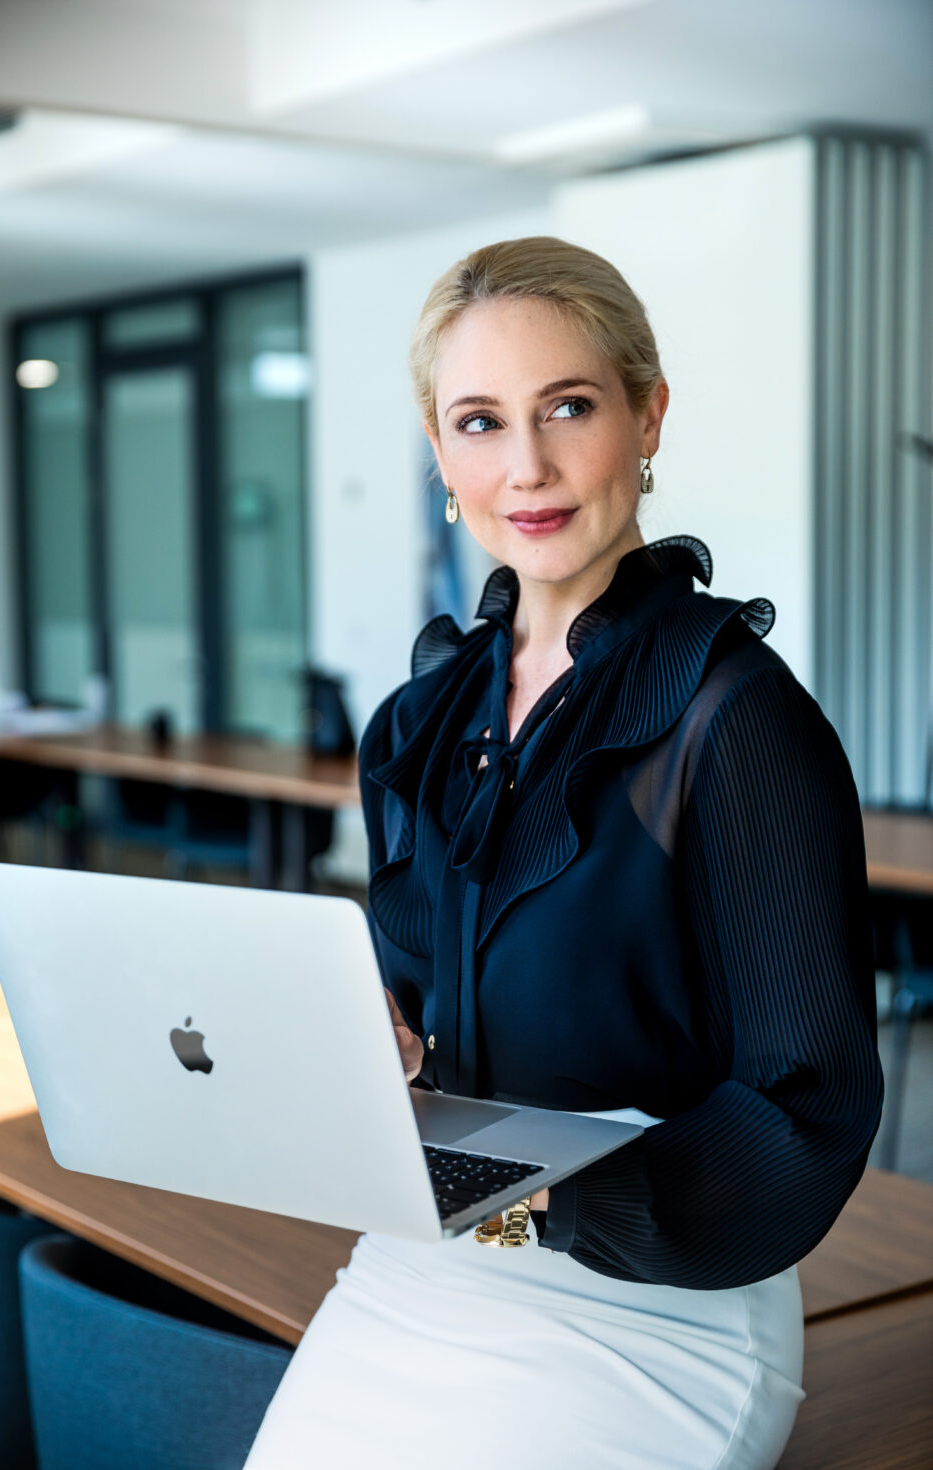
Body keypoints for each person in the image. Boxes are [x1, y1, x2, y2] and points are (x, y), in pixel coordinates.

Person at [244, 237, 883, 1469]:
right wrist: (372, 1038)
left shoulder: (735, 719)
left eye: (568, 408)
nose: (525, 468)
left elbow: (807, 1110)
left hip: (651, 1302)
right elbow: (424, 1009)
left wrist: (541, 1198)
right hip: (434, 1251)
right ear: (440, 455)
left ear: (646, 417)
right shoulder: (420, 722)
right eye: (479, 422)